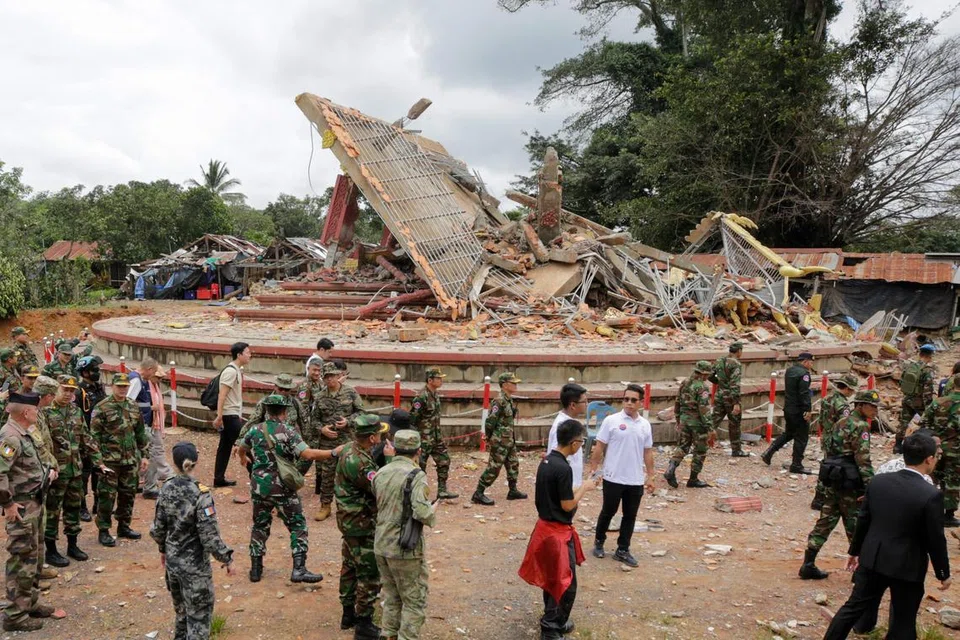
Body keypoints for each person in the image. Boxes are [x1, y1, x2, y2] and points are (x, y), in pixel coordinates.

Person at [822, 432, 951, 640]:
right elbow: (935, 539)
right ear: (929, 459)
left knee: (852, 608)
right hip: (907, 566)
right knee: (903, 621)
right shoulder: (931, 494)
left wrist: (855, 551)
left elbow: (863, 520)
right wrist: (943, 572)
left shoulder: (879, 481)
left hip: (873, 557)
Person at [237, 394, 341, 584]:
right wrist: (334, 452)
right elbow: (308, 454)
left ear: (267, 410)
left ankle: (255, 569)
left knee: (260, 525)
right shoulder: (288, 431)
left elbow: (242, 447)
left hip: (260, 487)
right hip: (282, 487)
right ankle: (299, 569)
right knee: (297, 525)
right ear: (284, 411)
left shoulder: (255, 429)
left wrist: (243, 458)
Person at [519, 419, 597, 640]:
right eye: (581, 442)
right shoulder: (564, 468)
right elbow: (567, 504)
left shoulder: (546, 462)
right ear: (573, 443)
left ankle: (554, 619)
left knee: (552, 578)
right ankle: (551, 627)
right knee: (566, 582)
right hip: (556, 533)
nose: (581, 446)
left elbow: (555, 492)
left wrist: (576, 488)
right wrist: (584, 488)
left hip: (544, 528)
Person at [150, 441, 235, 640]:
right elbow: (209, 536)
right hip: (195, 569)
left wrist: (163, 548)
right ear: (195, 462)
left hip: (173, 565)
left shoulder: (166, 488)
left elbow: (158, 527)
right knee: (198, 619)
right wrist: (227, 559)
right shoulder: (201, 493)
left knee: (181, 613)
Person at [800, 389, 876, 581]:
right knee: (856, 526)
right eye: (872, 406)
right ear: (860, 405)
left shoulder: (840, 422)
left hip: (835, 478)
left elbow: (830, 449)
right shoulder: (860, 426)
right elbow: (863, 460)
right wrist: (870, 487)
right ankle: (859, 572)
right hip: (851, 483)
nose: (875, 410)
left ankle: (808, 563)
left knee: (825, 521)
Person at [0, 392, 59, 632]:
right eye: (35, 409)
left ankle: (30, 603)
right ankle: (14, 615)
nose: (38, 412)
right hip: (22, 508)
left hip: (35, 504)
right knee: (22, 559)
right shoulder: (10, 437)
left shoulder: (24, 433)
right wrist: (8, 504)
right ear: (26, 412)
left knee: (35, 558)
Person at [372, 429, 436, 640]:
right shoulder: (416, 475)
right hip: (405, 547)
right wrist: (433, 511)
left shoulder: (381, 472)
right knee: (414, 599)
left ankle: (388, 634)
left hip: (381, 542)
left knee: (391, 596)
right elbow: (421, 512)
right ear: (418, 451)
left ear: (395, 449)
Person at [42, 376, 109, 568]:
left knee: (73, 509)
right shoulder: (45, 413)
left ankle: (73, 545)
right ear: (56, 390)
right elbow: (41, 445)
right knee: (53, 511)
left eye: (72, 391)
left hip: (75, 471)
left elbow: (86, 439)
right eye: (65, 389)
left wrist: (99, 462)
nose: (69, 394)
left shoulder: (76, 412)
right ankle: (51, 550)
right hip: (56, 473)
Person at [335, 414, 388, 639]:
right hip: (362, 522)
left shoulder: (349, 448)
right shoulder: (361, 462)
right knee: (368, 571)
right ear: (373, 438)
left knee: (349, 565)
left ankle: (348, 613)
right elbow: (378, 489)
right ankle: (363, 623)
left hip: (348, 520)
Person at [590, 384, 654, 567]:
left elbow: (648, 452)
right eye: (626, 399)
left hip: (634, 479)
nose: (629, 403)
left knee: (630, 515)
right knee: (608, 511)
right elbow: (600, 445)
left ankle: (623, 549)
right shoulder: (612, 421)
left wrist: (651, 476)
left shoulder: (645, 425)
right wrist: (593, 468)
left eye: (634, 400)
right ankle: (599, 542)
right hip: (613, 476)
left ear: (640, 403)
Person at [89, 373, 150, 547]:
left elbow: (140, 433)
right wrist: (98, 461)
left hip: (130, 460)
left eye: (125, 386)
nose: (123, 389)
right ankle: (104, 530)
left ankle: (124, 526)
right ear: (112, 386)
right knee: (107, 497)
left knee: (128, 495)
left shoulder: (132, 406)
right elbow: (93, 437)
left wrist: (145, 455)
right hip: (109, 461)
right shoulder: (102, 408)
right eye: (119, 386)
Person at [312, 361, 364, 521]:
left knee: (351, 473)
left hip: (348, 441)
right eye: (326, 377)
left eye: (332, 376)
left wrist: (349, 421)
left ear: (338, 376)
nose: (330, 380)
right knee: (327, 475)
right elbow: (313, 420)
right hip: (328, 444)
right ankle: (325, 506)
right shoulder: (319, 397)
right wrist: (322, 429)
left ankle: (351, 506)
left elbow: (361, 413)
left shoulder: (351, 393)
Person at [472, 373, 527, 506]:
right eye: (513, 383)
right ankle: (478, 493)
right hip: (500, 441)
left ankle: (512, 490)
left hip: (509, 440)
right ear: (505, 384)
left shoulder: (508, 400)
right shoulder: (499, 401)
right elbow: (490, 422)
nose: (515, 385)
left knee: (513, 464)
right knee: (494, 467)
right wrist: (490, 438)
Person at [810, 373, 858, 511]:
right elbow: (845, 425)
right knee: (834, 468)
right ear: (848, 388)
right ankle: (826, 497)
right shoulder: (842, 405)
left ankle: (819, 497)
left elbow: (821, 419)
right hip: (837, 440)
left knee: (826, 465)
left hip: (826, 436)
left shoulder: (827, 398)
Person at [127, 358, 172, 500]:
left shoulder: (141, 380)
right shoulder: (137, 380)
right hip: (141, 424)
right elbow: (128, 402)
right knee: (150, 455)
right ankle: (150, 487)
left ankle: (136, 484)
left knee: (139, 455)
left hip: (143, 423)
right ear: (150, 369)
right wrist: (150, 408)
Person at [762, 352, 815, 473]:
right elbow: (803, 393)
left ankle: (769, 452)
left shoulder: (790, 371)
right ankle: (796, 464)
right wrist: (807, 409)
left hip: (789, 408)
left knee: (789, 433)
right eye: (811, 362)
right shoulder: (804, 374)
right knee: (801, 437)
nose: (811, 365)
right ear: (805, 361)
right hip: (799, 410)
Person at [664, 361, 714, 489]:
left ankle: (671, 468)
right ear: (703, 374)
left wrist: (678, 419)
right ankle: (693, 479)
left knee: (683, 446)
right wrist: (710, 427)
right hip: (697, 423)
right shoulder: (702, 387)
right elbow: (704, 409)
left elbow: (677, 401)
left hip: (684, 420)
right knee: (700, 451)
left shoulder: (685, 382)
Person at [410, 368, 457, 499]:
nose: (441, 380)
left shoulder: (435, 395)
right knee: (420, 467)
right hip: (423, 438)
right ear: (430, 380)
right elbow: (413, 419)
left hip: (435, 437)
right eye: (438, 378)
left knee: (444, 461)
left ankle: (442, 490)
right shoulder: (421, 397)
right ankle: (419, 494)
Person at [920, 373, 960, 527]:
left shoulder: (938, 402)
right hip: (956, 450)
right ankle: (948, 515)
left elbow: (924, 422)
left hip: (935, 447)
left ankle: (925, 509)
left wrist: (934, 436)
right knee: (953, 481)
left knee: (932, 478)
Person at [213, 342, 251, 488]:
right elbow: (222, 394)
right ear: (239, 354)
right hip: (230, 415)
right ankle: (256, 476)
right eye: (247, 352)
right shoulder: (231, 372)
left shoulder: (236, 370)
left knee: (225, 446)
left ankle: (219, 478)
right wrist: (220, 415)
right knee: (245, 444)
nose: (250, 355)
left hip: (231, 414)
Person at [75, 356, 106, 523]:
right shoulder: (79, 392)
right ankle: (82, 507)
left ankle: (98, 504)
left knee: (99, 471)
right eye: (94, 370)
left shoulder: (99, 388)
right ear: (85, 372)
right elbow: (77, 418)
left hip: (100, 438)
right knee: (83, 474)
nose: (97, 373)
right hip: (84, 439)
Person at [895, 343, 936, 454]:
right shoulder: (927, 370)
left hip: (907, 399)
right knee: (925, 423)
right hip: (919, 402)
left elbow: (901, 382)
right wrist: (929, 407)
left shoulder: (910, 366)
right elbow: (927, 391)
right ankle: (921, 447)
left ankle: (897, 446)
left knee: (903, 423)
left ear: (920, 354)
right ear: (930, 356)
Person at [548, 383, 587, 489]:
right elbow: (557, 458)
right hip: (564, 485)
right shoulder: (561, 427)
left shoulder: (570, 422)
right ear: (573, 405)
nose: (587, 404)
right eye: (584, 401)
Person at [713, 342, 748, 457]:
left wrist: (720, 383)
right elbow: (735, 384)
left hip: (719, 394)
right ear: (739, 351)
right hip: (730, 398)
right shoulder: (736, 364)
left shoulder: (720, 360)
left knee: (713, 421)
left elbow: (709, 374)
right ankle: (736, 449)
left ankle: (698, 445)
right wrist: (736, 403)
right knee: (734, 424)